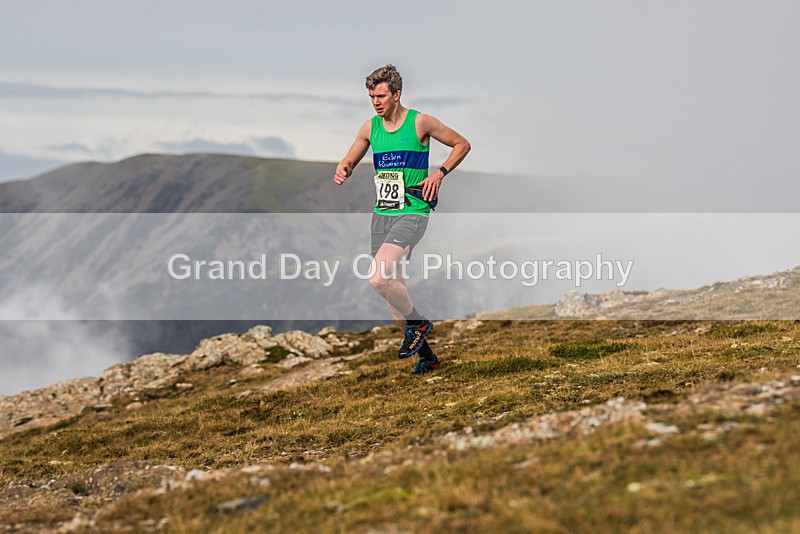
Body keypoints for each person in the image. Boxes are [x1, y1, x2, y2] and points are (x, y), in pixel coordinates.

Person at [334, 64, 470, 375]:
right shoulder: (370, 128)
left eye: (381, 96)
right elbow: (350, 157)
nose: (376, 102)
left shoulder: (419, 122)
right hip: (382, 214)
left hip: (413, 210)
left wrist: (440, 173)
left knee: (378, 279)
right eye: (371, 96)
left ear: (397, 94)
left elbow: (462, 144)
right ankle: (429, 358)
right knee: (394, 292)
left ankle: (420, 323)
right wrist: (344, 168)